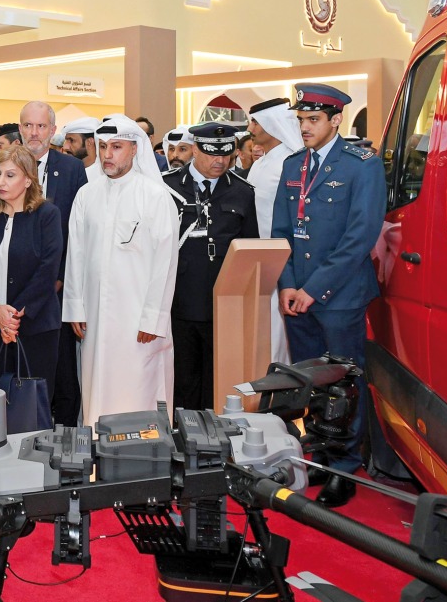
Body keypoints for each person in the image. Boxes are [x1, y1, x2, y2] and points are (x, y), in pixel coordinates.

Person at [272, 83, 386, 509]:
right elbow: (281, 232)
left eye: (313, 120)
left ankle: (344, 467)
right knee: (309, 382)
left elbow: (360, 237)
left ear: (336, 120)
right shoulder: (292, 165)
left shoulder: (362, 165)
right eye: (301, 120)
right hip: (296, 294)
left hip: (337, 296)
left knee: (343, 384)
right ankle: (319, 455)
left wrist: (312, 290)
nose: (305, 127)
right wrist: (286, 283)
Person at [63, 115, 179, 425]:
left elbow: (165, 263)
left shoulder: (156, 197)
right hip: (95, 321)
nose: (107, 154)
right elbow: (75, 255)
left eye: (116, 146)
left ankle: (141, 459)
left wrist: (153, 317)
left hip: (138, 323)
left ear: (135, 149)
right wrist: (76, 307)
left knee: (139, 394)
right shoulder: (87, 195)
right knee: (95, 390)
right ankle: (98, 457)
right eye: (102, 147)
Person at [163, 123, 259, 411]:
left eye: (226, 155)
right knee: (182, 378)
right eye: (212, 154)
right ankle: (182, 436)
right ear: (195, 149)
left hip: (222, 303)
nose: (220, 161)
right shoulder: (166, 187)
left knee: (217, 379)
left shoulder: (242, 192)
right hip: (178, 300)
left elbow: (249, 246)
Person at [15, 101, 88, 428]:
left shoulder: (71, 169)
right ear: (20, 129)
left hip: (58, 288)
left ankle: (65, 435)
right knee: (20, 364)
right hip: (14, 289)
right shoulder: (1, 166)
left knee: (60, 369)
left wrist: (60, 277)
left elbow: (79, 230)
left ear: (53, 131)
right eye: (28, 126)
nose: (34, 133)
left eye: (41, 127)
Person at [0, 144, 63, 406]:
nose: (1, 181)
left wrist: (12, 316)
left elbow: (49, 269)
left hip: (36, 327)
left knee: (31, 407)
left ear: (28, 179)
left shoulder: (47, 215)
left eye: (10, 175)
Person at [246, 98, 304, 365]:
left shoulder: (290, 163)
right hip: (256, 256)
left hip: (281, 256)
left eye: (256, 122)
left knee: (279, 329)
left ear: (273, 124)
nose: (251, 129)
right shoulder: (261, 163)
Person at [62, 117, 102, 182]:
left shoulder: (101, 177)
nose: (65, 147)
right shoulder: (66, 172)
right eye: (66, 141)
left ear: (89, 142)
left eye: (71, 140)